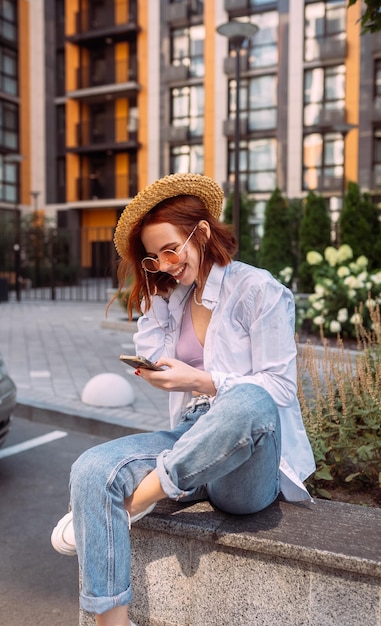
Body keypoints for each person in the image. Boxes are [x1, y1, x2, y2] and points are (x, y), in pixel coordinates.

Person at [51, 173, 315, 626]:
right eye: (153, 259)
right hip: (190, 436)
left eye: (171, 250)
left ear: (203, 232)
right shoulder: (171, 296)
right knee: (91, 468)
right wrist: (158, 354)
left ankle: (139, 499)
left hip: (246, 461)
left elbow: (278, 391)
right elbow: (150, 346)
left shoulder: (259, 290)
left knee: (249, 399)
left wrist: (203, 380)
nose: (164, 264)